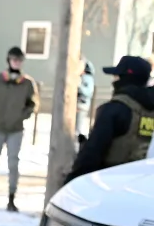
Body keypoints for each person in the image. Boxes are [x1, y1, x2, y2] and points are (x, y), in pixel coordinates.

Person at [65, 55, 154, 184]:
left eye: (116, 76)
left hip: (110, 182)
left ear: (123, 79)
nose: (113, 80)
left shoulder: (114, 109)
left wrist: (72, 182)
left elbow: (92, 153)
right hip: (144, 185)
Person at [0, 46, 37, 211]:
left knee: (13, 163)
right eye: (14, 59)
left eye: (19, 60)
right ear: (9, 60)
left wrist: (23, 115)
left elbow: (33, 103)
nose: (16, 63)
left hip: (15, 130)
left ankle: (11, 199)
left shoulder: (27, 83)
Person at [77, 59, 95, 144]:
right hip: (79, 105)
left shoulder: (87, 78)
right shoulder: (83, 77)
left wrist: (79, 86)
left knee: (77, 128)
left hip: (81, 105)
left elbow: (87, 91)